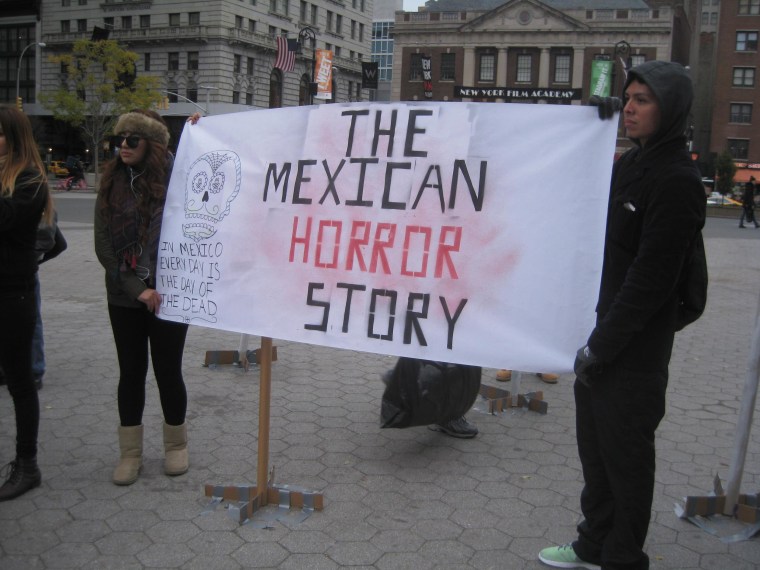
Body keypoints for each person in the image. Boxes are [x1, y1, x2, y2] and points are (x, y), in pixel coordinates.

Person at [539, 61, 707, 570]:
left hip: (632, 350)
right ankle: (593, 543)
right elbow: (577, 192)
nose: (630, 107)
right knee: (596, 454)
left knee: (626, 459)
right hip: (600, 335)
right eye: (627, 98)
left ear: (670, 109)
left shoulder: (677, 180)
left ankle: (622, 557)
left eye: (643, 100)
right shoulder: (632, 164)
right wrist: (588, 125)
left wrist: (602, 346)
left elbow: (651, 281)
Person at [95, 109, 190, 486]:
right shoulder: (110, 183)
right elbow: (104, 246)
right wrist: (139, 289)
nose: (123, 147)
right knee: (131, 373)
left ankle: (176, 445)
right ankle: (130, 453)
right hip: (125, 296)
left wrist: (201, 129)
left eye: (132, 139)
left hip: (171, 294)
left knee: (169, 371)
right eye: (119, 140)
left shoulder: (178, 178)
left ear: (151, 144)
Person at [0, 105, 55, 501]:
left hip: (11, 292)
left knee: (20, 381)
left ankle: (27, 464)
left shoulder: (30, 180)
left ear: (14, 138)